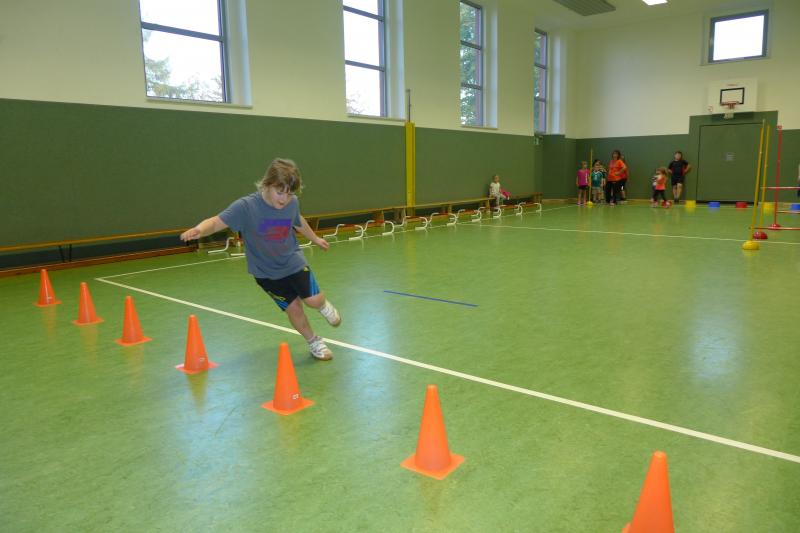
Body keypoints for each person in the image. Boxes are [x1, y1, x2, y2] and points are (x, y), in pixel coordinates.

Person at [179, 158, 341, 361]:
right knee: (294, 308)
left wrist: (315, 239)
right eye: (280, 192)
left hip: (292, 261)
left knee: (313, 300)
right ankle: (314, 341)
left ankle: (323, 306)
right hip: (266, 273)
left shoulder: (292, 203)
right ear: (267, 184)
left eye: (290, 194)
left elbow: (298, 221)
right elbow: (216, 222)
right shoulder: (246, 207)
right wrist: (199, 229)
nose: (284, 199)